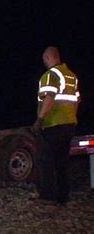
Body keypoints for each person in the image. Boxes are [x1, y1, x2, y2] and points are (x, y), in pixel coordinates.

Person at [32, 46, 80, 205]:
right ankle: (63, 196)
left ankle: (46, 196)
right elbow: (76, 101)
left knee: (45, 160)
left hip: (52, 124)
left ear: (47, 58)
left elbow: (49, 97)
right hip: (69, 124)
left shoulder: (50, 75)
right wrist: (72, 116)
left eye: (44, 60)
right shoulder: (72, 76)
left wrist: (40, 120)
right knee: (62, 161)